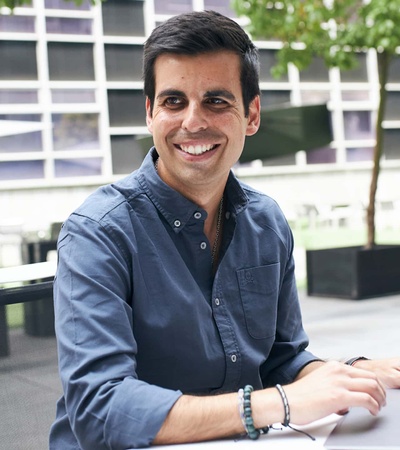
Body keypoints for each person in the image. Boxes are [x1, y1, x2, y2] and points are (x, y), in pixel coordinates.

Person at [49, 10, 400, 450]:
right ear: (150, 113)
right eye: (174, 101)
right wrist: (279, 405)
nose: (192, 122)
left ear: (251, 115)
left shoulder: (266, 221)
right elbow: (99, 409)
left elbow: (281, 358)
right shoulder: (96, 234)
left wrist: (352, 373)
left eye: (216, 101)